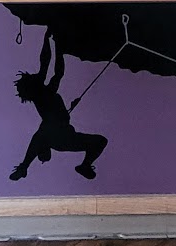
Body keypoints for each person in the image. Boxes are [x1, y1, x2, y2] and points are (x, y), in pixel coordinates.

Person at [11, 28, 108, 181]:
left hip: (62, 135)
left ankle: (83, 166)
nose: (36, 75)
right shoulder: (42, 92)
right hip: (60, 135)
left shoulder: (45, 92)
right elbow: (49, 65)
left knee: (100, 141)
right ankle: (84, 165)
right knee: (99, 141)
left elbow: (52, 68)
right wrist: (54, 44)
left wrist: (52, 42)